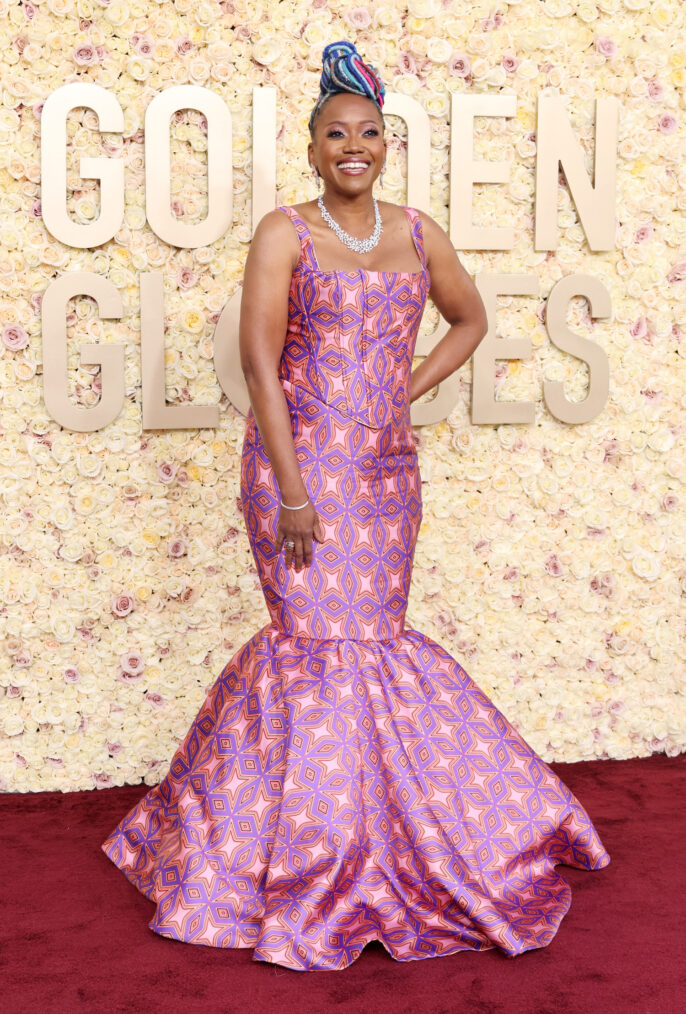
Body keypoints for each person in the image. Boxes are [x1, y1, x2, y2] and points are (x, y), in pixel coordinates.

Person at [102, 40, 610, 973]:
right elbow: (260, 363)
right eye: (335, 133)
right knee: (310, 653)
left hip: (384, 479)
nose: (353, 146)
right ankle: (302, 861)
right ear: (311, 147)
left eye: (368, 133)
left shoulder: (418, 234)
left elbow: (471, 319)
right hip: (295, 473)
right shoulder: (283, 231)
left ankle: (397, 845)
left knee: (374, 647)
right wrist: (293, 491)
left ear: (386, 145)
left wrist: (402, 390)